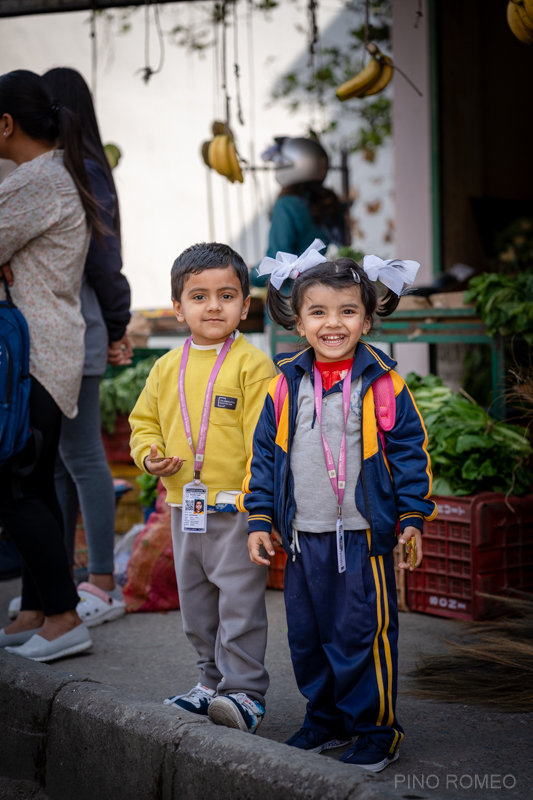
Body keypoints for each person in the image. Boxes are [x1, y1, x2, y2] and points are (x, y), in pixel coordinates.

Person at [239, 244, 437, 770]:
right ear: (298, 322)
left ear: (367, 321)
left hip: (361, 536)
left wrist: (412, 516)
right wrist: (261, 518)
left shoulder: (384, 383)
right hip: (303, 538)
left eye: (348, 310)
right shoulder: (284, 385)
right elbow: (263, 457)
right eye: (318, 311)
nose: (333, 323)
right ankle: (325, 721)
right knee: (308, 637)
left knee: (362, 637)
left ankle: (376, 731)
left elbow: (410, 454)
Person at [129, 242, 277, 734]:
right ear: (178, 307)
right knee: (195, 604)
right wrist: (150, 455)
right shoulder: (164, 368)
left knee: (239, 603)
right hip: (183, 506)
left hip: (237, 510)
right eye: (199, 296)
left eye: (226, 295)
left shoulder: (253, 366)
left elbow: (268, 440)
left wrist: (263, 506)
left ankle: (246, 693)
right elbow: (143, 423)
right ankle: (208, 682)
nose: (213, 306)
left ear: (245, 305)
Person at [0, 69, 104, 661]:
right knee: (29, 482)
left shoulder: (34, 180)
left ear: (7, 123)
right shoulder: (57, 172)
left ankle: (65, 616)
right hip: (48, 349)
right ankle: (38, 611)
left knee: (14, 486)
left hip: (29, 356)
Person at [41, 67, 132, 625]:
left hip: (83, 329)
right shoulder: (70, 169)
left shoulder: (83, 170)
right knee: (58, 463)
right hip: (71, 331)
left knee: (80, 456)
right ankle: (80, 576)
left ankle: (103, 582)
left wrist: (118, 327)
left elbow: (105, 263)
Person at [261, 137, 346, 260]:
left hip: (305, 279)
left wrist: (251, 272)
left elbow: (278, 261)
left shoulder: (286, 204)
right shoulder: (331, 200)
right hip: (335, 276)